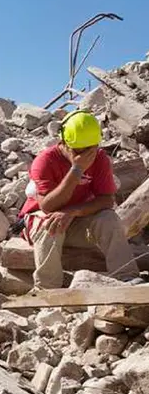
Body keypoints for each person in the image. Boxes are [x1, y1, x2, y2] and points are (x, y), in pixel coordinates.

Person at [17, 109, 142, 289]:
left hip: (76, 223)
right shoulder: (45, 161)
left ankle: (127, 278)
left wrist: (72, 212)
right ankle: (47, 290)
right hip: (41, 223)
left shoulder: (99, 158)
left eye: (89, 149)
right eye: (77, 150)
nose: (83, 155)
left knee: (108, 218)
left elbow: (106, 200)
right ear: (64, 141)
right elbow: (48, 206)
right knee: (51, 223)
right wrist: (76, 170)